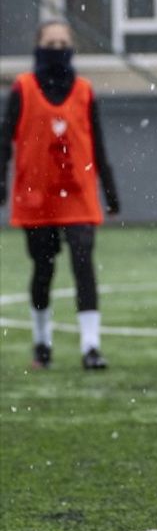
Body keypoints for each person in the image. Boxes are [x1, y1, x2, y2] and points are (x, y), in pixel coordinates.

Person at [0, 19, 120, 370]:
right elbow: (4, 140)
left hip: (78, 194)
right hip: (36, 196)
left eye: (62, 43)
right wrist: (1, 183)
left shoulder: (84, 90)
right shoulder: (23, 88)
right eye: (50, 43)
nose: (57, 50)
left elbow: (97, 143)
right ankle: (42, 342)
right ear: (38, 47)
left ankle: (91, 346)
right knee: (43, 269)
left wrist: (110, 190)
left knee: (83, 263)